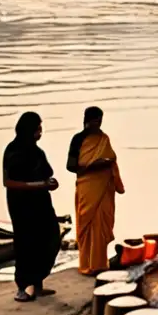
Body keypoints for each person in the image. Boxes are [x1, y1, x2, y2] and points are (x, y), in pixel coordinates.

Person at [2, 112, 62, 302]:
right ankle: (22, 286)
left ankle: (38, 282)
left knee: (51, 238)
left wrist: (49, 183)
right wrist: (36, 185)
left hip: (41, 202)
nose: (40, 132)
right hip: (21, 204)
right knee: (25, 243)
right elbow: (8, 182)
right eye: (37, 128)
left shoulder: (37, 152)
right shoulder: (13, 151)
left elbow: (46, 174)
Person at [67, 107, 124, 276]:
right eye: (94, 121)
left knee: (101, 226)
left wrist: (107, 163)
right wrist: (92, 166)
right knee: (86, 225)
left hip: (104, 188)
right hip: (87, 188)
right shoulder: (78, 139)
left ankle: (99, 264)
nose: (98, 124)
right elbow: (70, 166)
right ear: (86, 121)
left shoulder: (103, 138)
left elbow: (112, 160)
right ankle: (86, 265)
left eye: (100, 120)